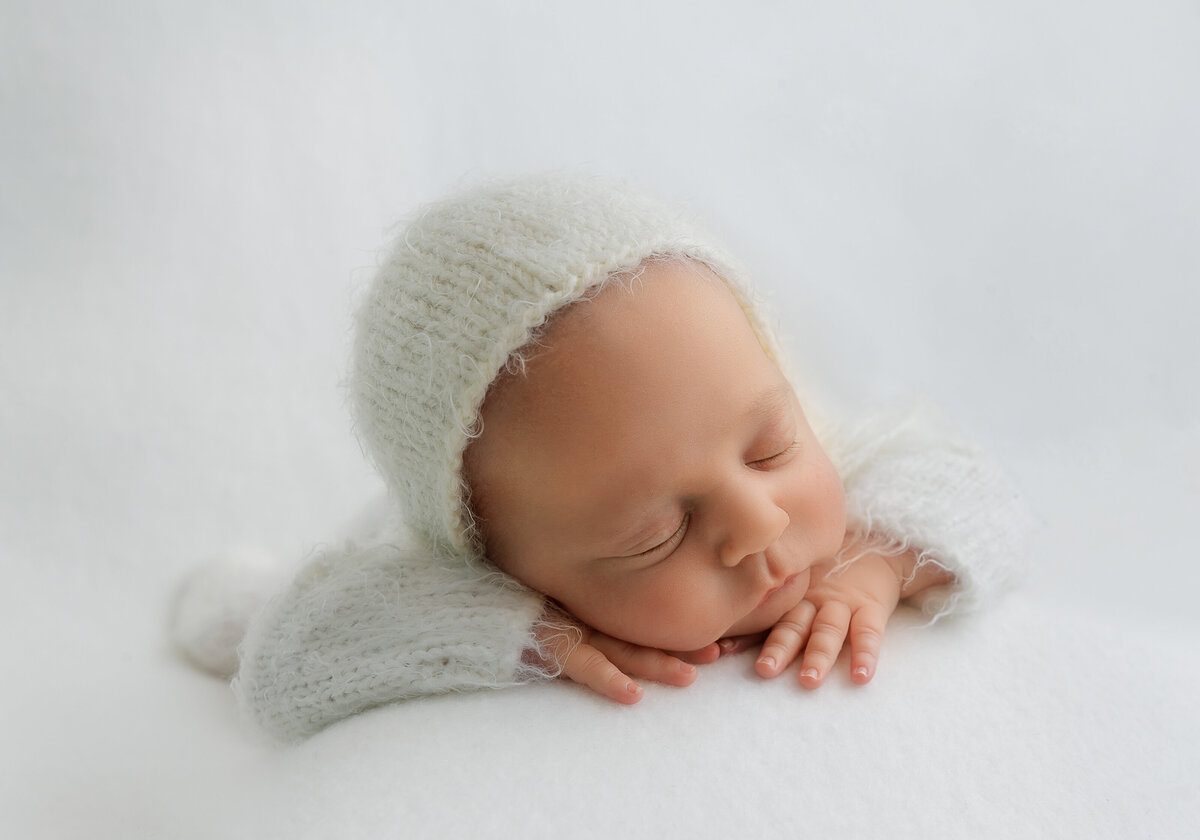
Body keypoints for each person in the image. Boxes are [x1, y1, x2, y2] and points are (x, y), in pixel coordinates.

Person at [171, 173, 1024, 742]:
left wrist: (879, 559)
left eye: (770, 450)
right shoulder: (447, 572)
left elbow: (976, 488)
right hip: (377, 546)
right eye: (655, 536)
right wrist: (519, 634)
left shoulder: (809, 439)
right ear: (505, 562)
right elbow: (287, 660)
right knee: (243, 613)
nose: (760, 521)